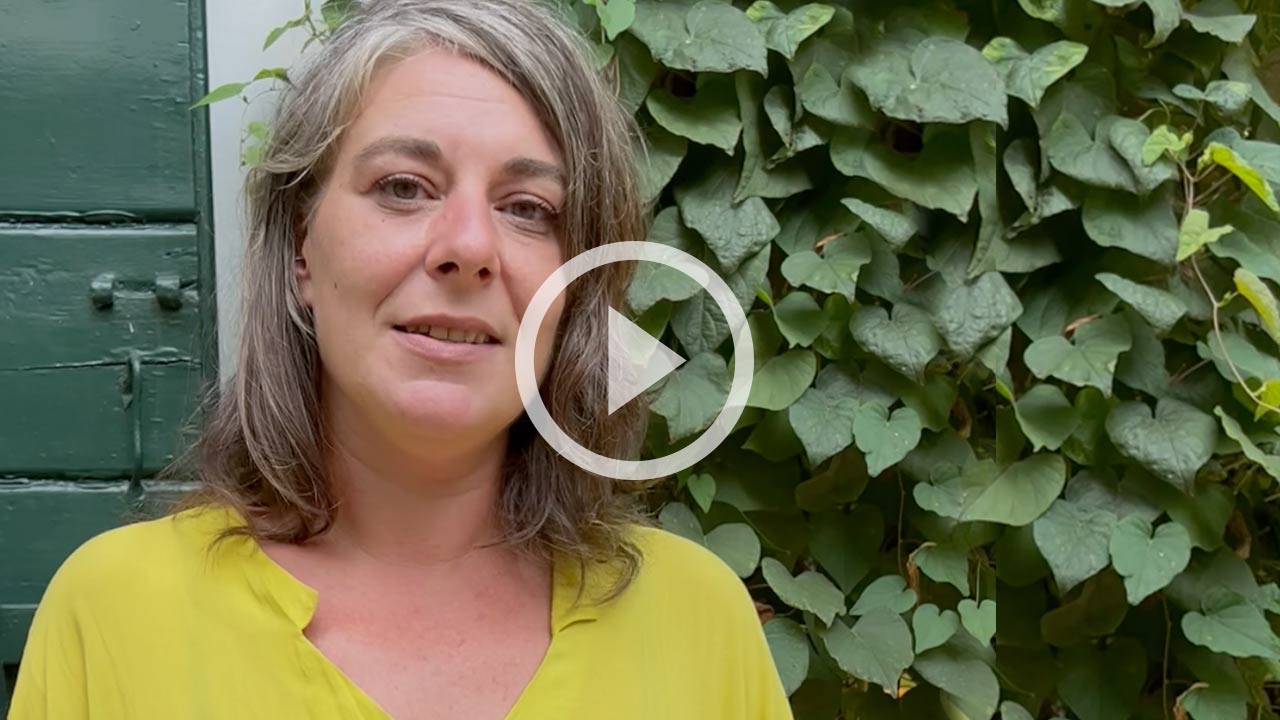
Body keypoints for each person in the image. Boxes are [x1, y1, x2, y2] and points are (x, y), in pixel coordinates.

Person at [7, 0, 793, 718]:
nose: (469, 247)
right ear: (301, 248)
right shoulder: (115, 618)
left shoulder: (700, 624)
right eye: (404, 188)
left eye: (528, 208)